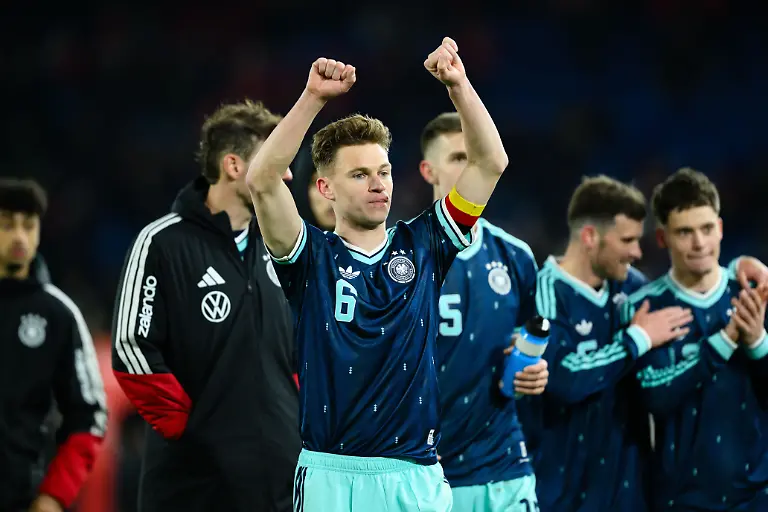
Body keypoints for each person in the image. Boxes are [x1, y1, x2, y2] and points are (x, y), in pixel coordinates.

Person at [246, 37, 508, 511]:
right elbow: (262, 178)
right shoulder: (309, 257)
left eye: (383, 172)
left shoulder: (427, 243)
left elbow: (491, 162)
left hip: (414, 473)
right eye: (360, 174)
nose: (378, 184)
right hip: (330, 471)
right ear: (325, 187)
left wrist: (459, 86)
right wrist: (313, 99)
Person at [519, 175, 768, 512]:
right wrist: (636, 339)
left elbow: (699, 282)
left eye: (707, 229)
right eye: (628, 240)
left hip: (631, 487)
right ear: (591, 237)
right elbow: (563, 380)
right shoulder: (548, 292)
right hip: (565, 485)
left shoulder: (632, 287)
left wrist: (738, 269)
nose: (637, 252)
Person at [111, 100, 301, 512]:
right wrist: (191, 430)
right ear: (234, 166)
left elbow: (300, 352)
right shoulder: (162, 243)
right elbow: (132, 347)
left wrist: (293, 423)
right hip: (195, 488)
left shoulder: (283, 248)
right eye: (276, 160)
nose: (287, 174)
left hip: (279, 484)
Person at [418, 112, 548, 511]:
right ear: (428, 170)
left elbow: (530, 339)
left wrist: (536, 371)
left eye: (475, 156)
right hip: (428, 471)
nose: (472, 166)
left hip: (505, 463)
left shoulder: (516, 256)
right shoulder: (407, 257)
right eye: (459, 157)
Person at [619, 168, 768, 511]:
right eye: (685, 232)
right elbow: (653, 397)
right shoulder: (643, 307)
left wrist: (758, 341)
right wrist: (725, 341)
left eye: (706, 229)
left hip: (757, 494)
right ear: (662, 239)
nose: (699, 243)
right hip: (682, 499)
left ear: (720, 229)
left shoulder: (756, 289)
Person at [0, 178, 107, 512]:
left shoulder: (59, 315)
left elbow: (89, 415)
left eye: (29, 226)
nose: (20, 236)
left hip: (23, 498)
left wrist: (53, 497)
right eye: (6, 225)